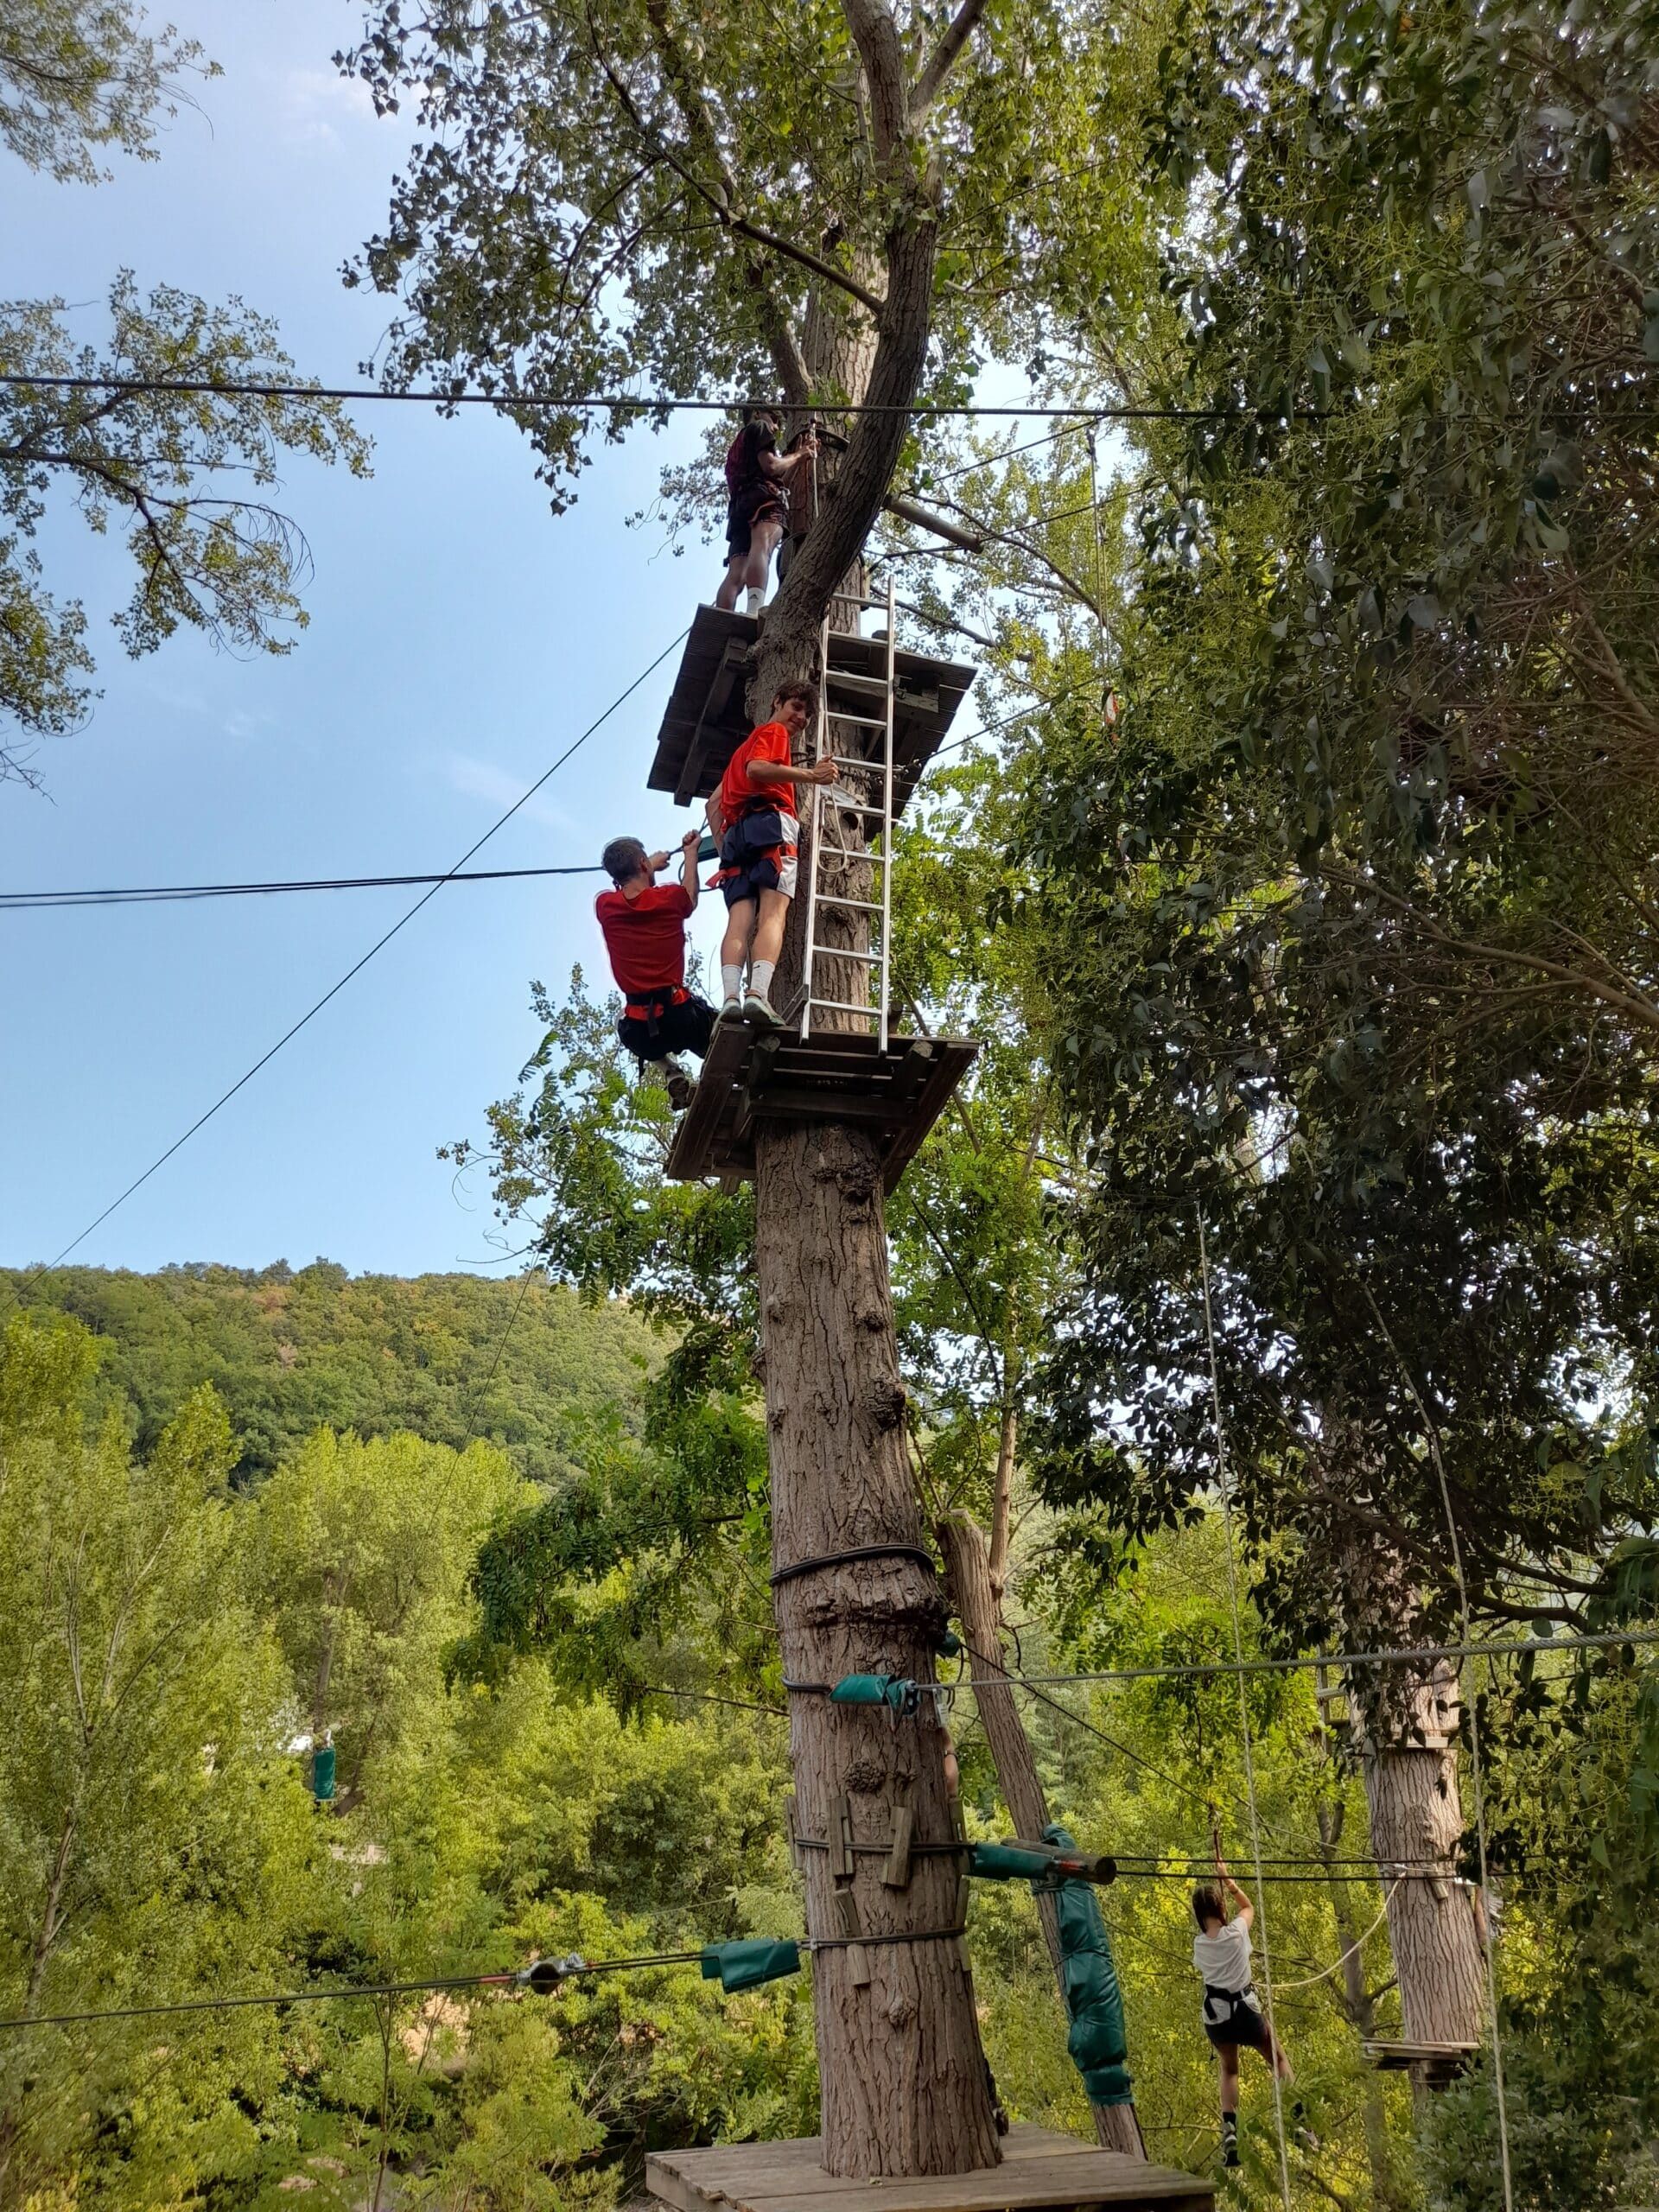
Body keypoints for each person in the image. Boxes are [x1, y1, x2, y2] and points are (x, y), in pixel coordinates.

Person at [708, 680, 836, 1026]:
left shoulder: (740, 752)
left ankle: (731, 998)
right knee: (772, 916)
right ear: (777, 702)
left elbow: (712, 804)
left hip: (737, 835)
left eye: (807, 714)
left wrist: (726, 850)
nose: (801, 717)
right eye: (796, 707)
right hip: (770, 824)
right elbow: (758, 770)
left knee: (738, 923)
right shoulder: (773, 733)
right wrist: (813, 775)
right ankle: (757, 996)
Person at [594, 830, 715, 1108]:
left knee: (619, 1021)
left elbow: (631, 895)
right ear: (642, 864)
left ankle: (671, 1072)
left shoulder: (604, 905)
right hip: (681, 1016)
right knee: (722, 1037)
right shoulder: (670, 899)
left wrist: (647, 866)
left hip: (640, 1031)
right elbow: (690, 898)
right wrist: (691, 853)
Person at [1192, 1856, 1292, 2168]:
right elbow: (1248, 1909)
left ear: (1198, 1915)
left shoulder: (1199, 1946)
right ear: (1221, 1910)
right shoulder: (1236, 1933)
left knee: (1230, 2069)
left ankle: (1230, 2132)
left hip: (1218, 2018)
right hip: (1245, 2011)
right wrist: (1229, 1880)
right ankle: (1299, 2119)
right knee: (1278, 2060)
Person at [715, 406, 817, 615]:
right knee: (761, 547)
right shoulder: (759, 427)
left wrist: (798, 459)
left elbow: (778, 480)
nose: (776, 426)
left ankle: (722, 617)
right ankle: (754, 611)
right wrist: (799, 454)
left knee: (736, 573)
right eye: (774, 418)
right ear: (756, 413)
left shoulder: (736, 449)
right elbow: (771, 467)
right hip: (763, 500)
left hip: (740, 509)